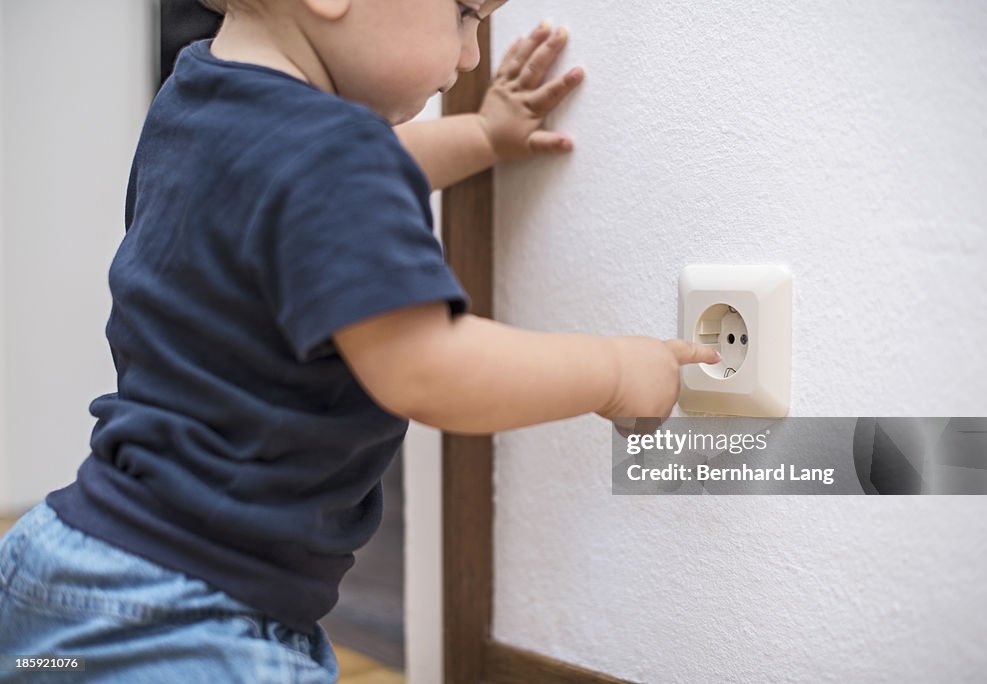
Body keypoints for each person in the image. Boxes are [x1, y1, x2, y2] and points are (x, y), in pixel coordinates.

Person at [0, 0, 720, 681]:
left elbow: (336, 184)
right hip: (190, 618)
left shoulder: (195, 99)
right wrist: (617, 371)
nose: (471, 57)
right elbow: (430, 368)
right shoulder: (335, 151)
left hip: (67, 561)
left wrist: (481, 137)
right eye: (464, 13)